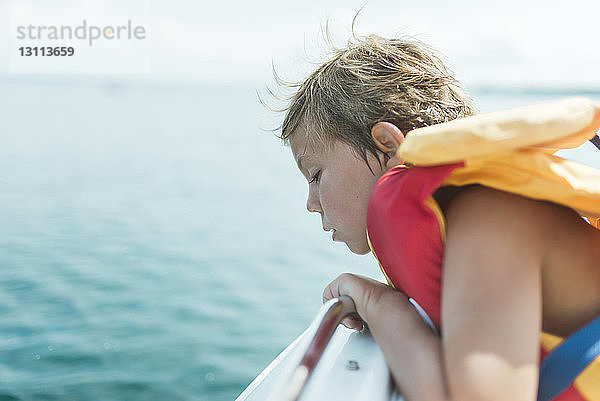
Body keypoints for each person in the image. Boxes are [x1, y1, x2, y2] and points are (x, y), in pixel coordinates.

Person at [277, 34, 600, 401]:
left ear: (388, 145)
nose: (310, 203)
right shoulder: (462, 220)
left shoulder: (488, 219)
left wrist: (381, 304)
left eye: (316, 175)